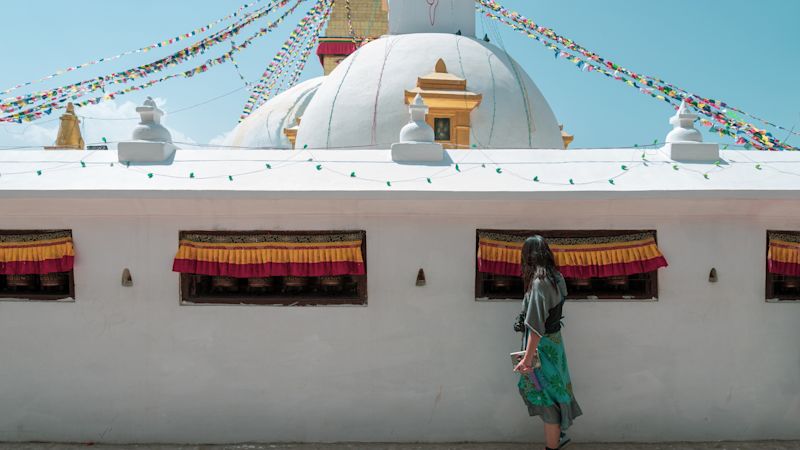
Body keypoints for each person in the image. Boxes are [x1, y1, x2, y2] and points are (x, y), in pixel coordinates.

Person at [513, 235, 582, 450]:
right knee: (553, 390)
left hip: (541, 349)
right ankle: (559, 435)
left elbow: (536, 328)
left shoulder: (539, 283)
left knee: (545, 396)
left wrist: (526, 359)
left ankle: (554, 443)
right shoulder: (556, 277)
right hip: (555, 345)